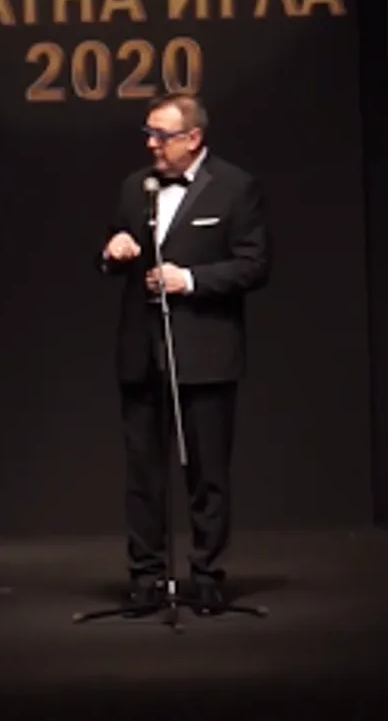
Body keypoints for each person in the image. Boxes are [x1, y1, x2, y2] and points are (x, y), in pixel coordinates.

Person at [99, 93, 270, 615]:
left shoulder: (235, 187)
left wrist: (189, 279)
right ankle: (146, 576)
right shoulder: (135, 186)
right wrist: (113, 250)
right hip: (141, 350)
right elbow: (113, 249)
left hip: (206, 352)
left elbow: (254, 264)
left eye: (161, 135)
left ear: (193, 138)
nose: (151, 144)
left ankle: (207, 575)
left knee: (207, 474)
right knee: (143, 476)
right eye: (148, 133)